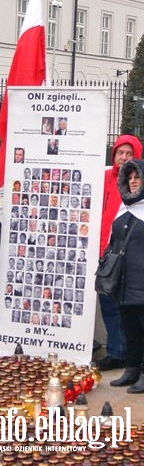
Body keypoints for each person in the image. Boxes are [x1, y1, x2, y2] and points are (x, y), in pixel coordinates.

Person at [97, 134, 142, 371]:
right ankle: (117, 350)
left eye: (128, 154)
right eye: (119, 153)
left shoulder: (137, 181)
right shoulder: (104, 177)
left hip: (125, 253)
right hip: (103, 250)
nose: (123, 158)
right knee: (108, 304)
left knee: (125, 308)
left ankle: (125, 354)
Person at [108, 159, 144, 393]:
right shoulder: (123, 207)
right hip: (124, 280)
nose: (133, 182)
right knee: (130, 326)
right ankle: (131, 370)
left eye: (137, 177)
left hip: (142, 279)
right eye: (129, 177)